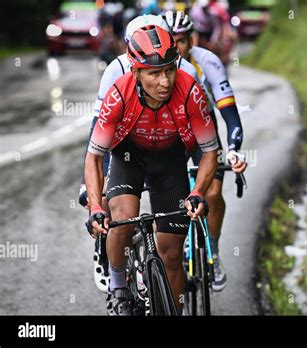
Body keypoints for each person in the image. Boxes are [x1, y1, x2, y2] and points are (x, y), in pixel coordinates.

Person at [84, 24, 219, 315]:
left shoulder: (190, 91)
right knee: (123, 218)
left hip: (170, 160)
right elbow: (94, 156)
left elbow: (209, 151)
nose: (165, 81)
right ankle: (119, 286)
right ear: (135, 72)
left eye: (169, 70)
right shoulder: (118, 95)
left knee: (171, 254)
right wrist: (96, 206)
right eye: (154, 73)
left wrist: (197, 192)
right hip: (128, 156)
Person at [163, 10, 247, 291]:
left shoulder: (207, 62)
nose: (176, 48)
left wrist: (234, 149)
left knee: (211, 192)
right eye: (170, 41)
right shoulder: (156, 69)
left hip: (203, 131)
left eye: (182, 41)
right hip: (170, 134)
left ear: (192, 39)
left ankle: (213, 248)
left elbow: (229, 114)